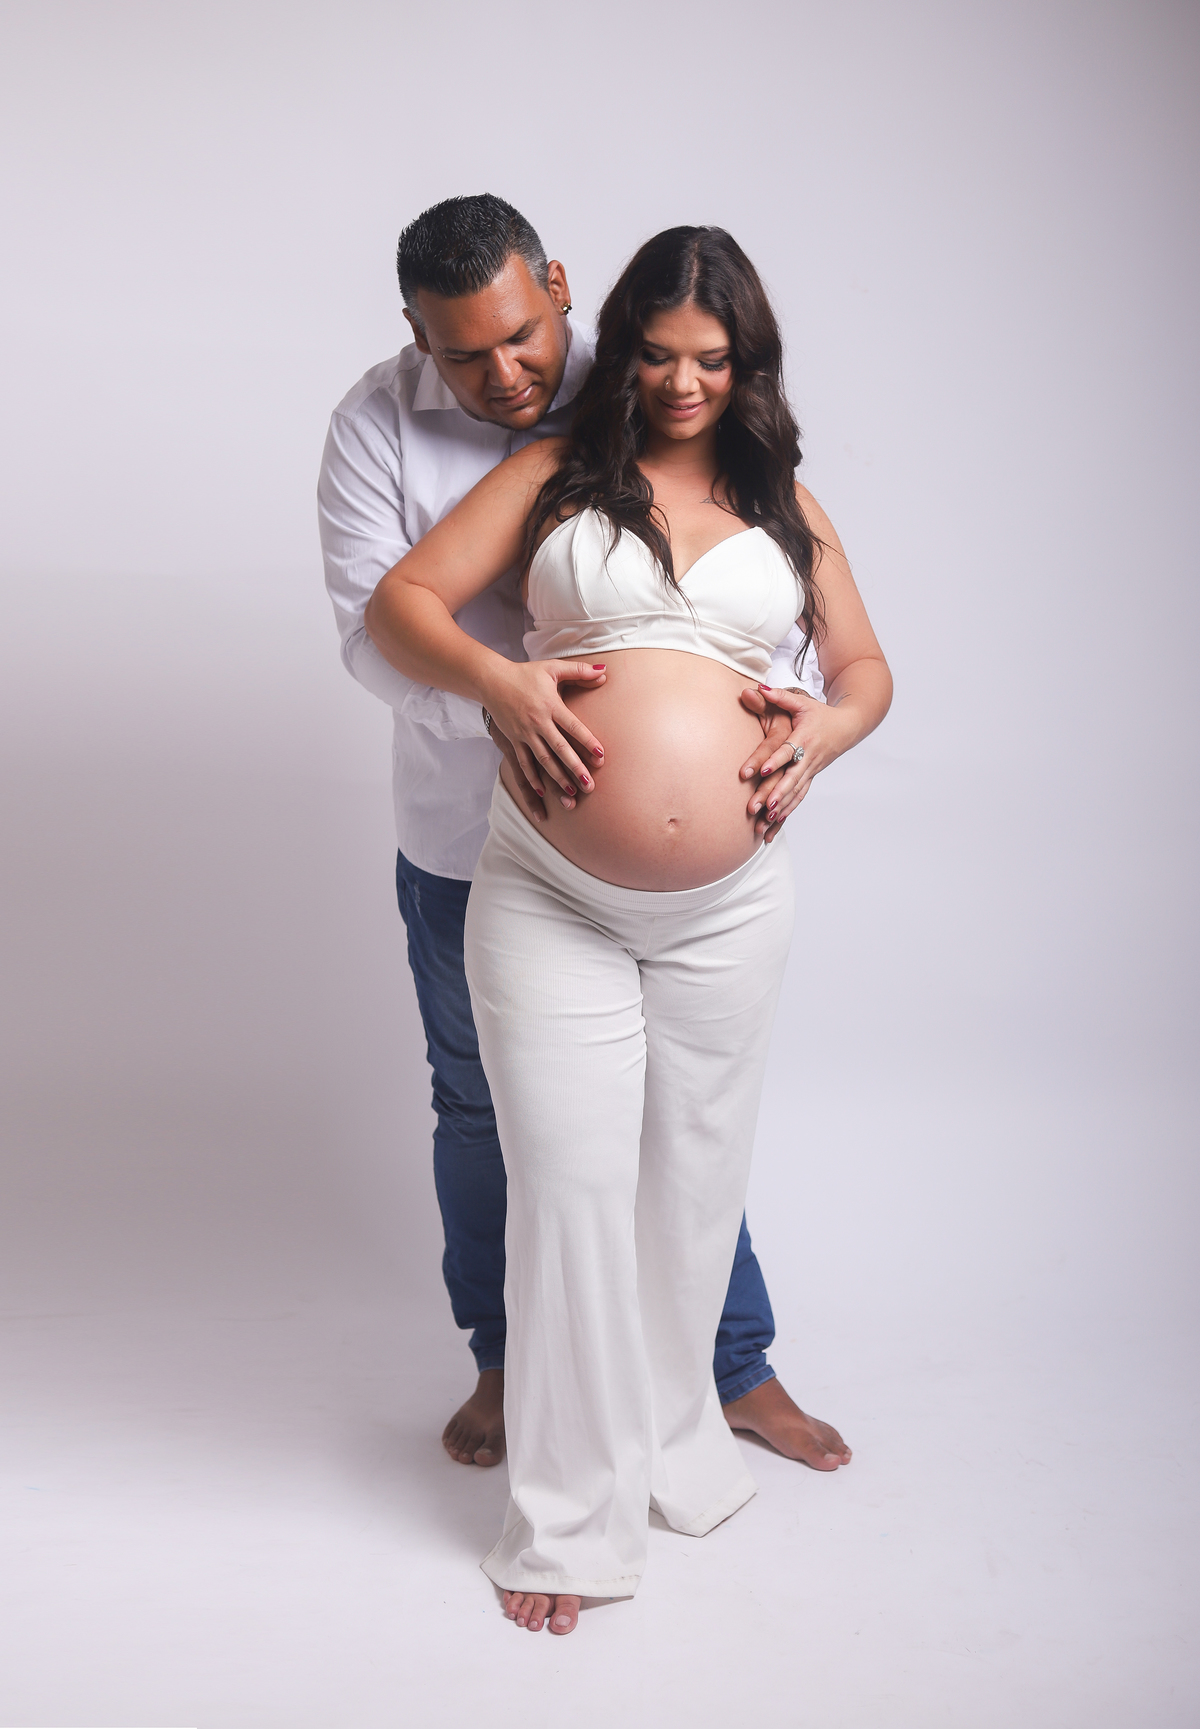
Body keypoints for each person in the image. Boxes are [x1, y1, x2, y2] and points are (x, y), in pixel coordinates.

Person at [363, 224, 892, 1634]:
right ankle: (566, 1520)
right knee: (570, 1186)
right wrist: (500, 682)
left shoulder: (784, 498)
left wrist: (824, 731)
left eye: (711, 359)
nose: (680, 382)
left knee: (693, 1185)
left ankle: (669, 1443)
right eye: (656, 354)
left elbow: (865, 667)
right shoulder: (555, 472)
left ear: (748, 361)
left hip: (732, 907)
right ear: (623, 344)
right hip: (549, 888)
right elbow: (400, 604)